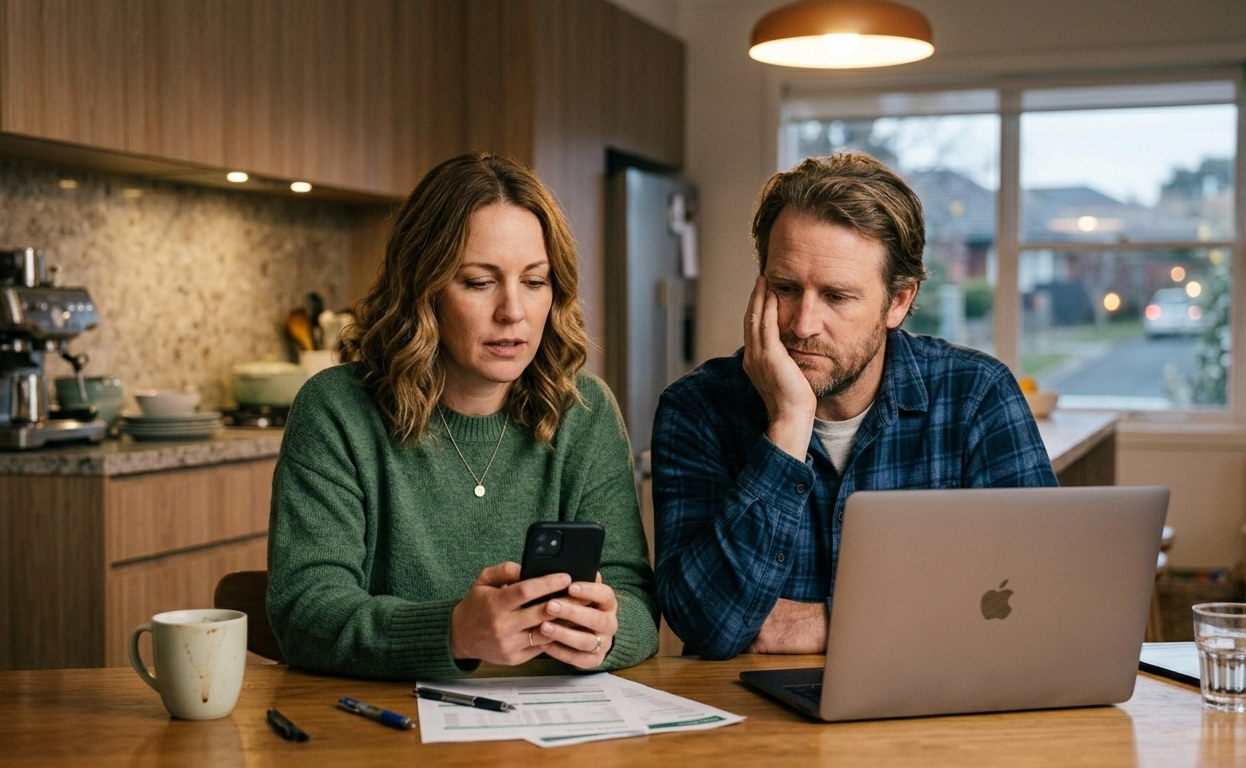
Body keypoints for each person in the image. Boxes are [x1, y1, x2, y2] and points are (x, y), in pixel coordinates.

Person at [267, 152, 658, 679]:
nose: (513, 312)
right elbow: (305, 612)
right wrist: (453, 632)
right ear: (423, 288)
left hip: (547, 720)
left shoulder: (584, 412)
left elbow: (635, 602)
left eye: (535, 282)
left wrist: (606, 632)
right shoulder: (337, 410)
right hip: (387, 719)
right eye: (479, 282)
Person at [652, 151, 1056, 660]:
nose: (802, 324)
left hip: (928, 698)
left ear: (898, 302)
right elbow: (708, 626)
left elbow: (1040, 599)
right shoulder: (697, 409)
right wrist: (788, 424)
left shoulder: (976, 395)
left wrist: (829, 622)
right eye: (785, 288)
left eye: (837, 296)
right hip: (749, 707)